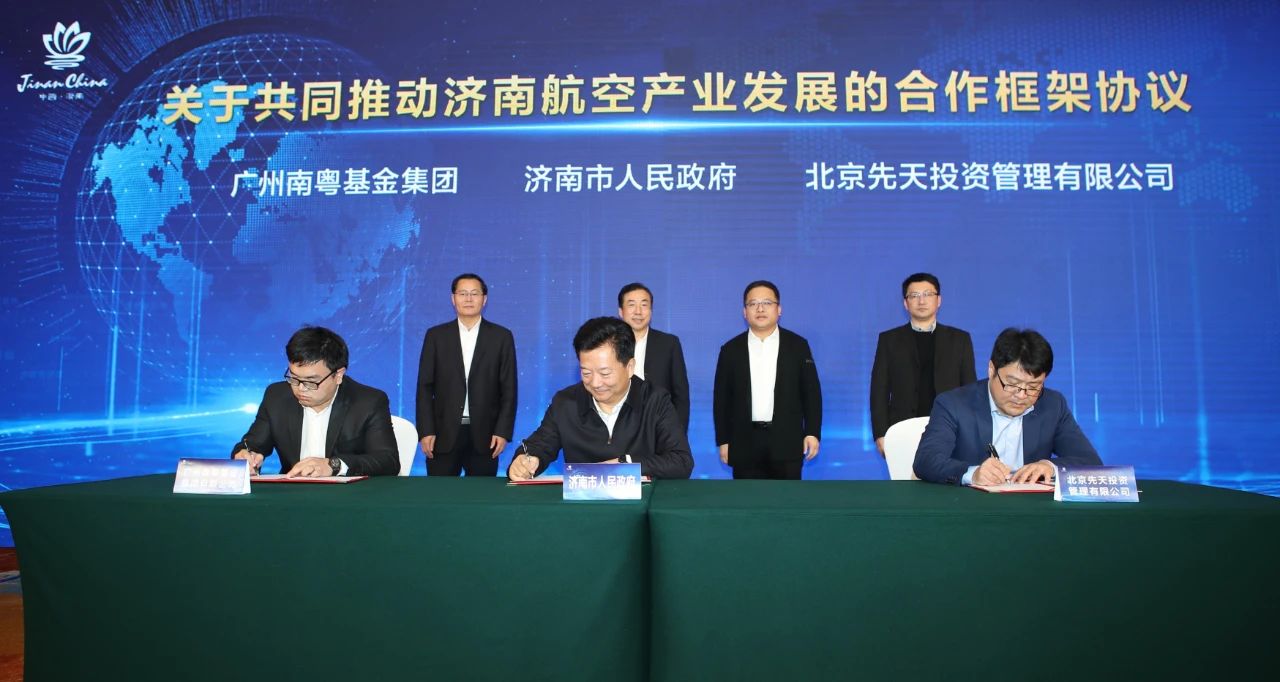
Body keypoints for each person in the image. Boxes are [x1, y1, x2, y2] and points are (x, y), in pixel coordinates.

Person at [507, 317, 693, 480]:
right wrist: (526, 460)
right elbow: (539, 445)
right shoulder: (566, 402)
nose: (595, 383)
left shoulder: (655, 400)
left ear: (629, 367)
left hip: (640, 503)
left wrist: (626, 464)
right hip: (583, 504)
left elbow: (681, 461)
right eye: (586, 373)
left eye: (605, 373)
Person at [913, 328, 1102, 485]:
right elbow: (926, 460)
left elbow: (1090, 462)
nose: (1021, 395)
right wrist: (973, 474)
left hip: (1031, 510)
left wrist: (1050, 467)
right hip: (971, 508)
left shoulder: (1053, 405)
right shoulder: (953, 404)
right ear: (991, 370)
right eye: (1012, 384)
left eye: (1033, 387)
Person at [233, 326, 399, 477]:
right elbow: (251, 444)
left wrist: (333, 465)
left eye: (311, 382)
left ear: (338, 375)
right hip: (292, 493)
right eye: (294, 378)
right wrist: (247, 456)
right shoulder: (277, 396)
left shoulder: (368, 401)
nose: (300, 389)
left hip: (348, 495)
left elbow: (388, 461)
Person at [713, 280, 822, 480]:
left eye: (767, 303)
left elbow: (811, 393)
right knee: (747, 498)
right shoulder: (730, 350)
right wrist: (723, 441)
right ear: (744, 312)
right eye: (753, 304)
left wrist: (812, 432)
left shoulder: (797, 346)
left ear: (779, 309)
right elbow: (721, 401)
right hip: (744, 444)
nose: (760, 308)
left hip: (787, 441)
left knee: (787, 498)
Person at [415, 273, 517, 476]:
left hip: (486, 436)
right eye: (462, 293)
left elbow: (509, 389)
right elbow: (424, 388)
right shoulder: (435, 336)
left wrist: (503, 431)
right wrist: (426, 431)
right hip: (442, 435)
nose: (468, 299)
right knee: (440, 493)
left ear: (484, 299)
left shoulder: (501, 337)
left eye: (474, 293)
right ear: (453, 299)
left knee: (481, 494)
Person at [870, 273, 976, 455]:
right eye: (914, 295)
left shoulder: (959, 339)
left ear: (939, 300)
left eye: (927, 294)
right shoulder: (889, 340)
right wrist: (881, 433)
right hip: (902, 431)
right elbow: (879, 390)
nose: (921, 301)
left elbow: (969, 389)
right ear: (905, 303)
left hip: (949, 430)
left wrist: (969, 431)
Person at [617, 282, 690, 431]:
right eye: (631, 305)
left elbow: (681, 395)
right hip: (619, 427)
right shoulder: (610, 345)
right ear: (621, 311)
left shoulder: (669, 343)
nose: (638, 311)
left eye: (644, 305)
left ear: (651, 310)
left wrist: (678, 434)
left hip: (659, 427)